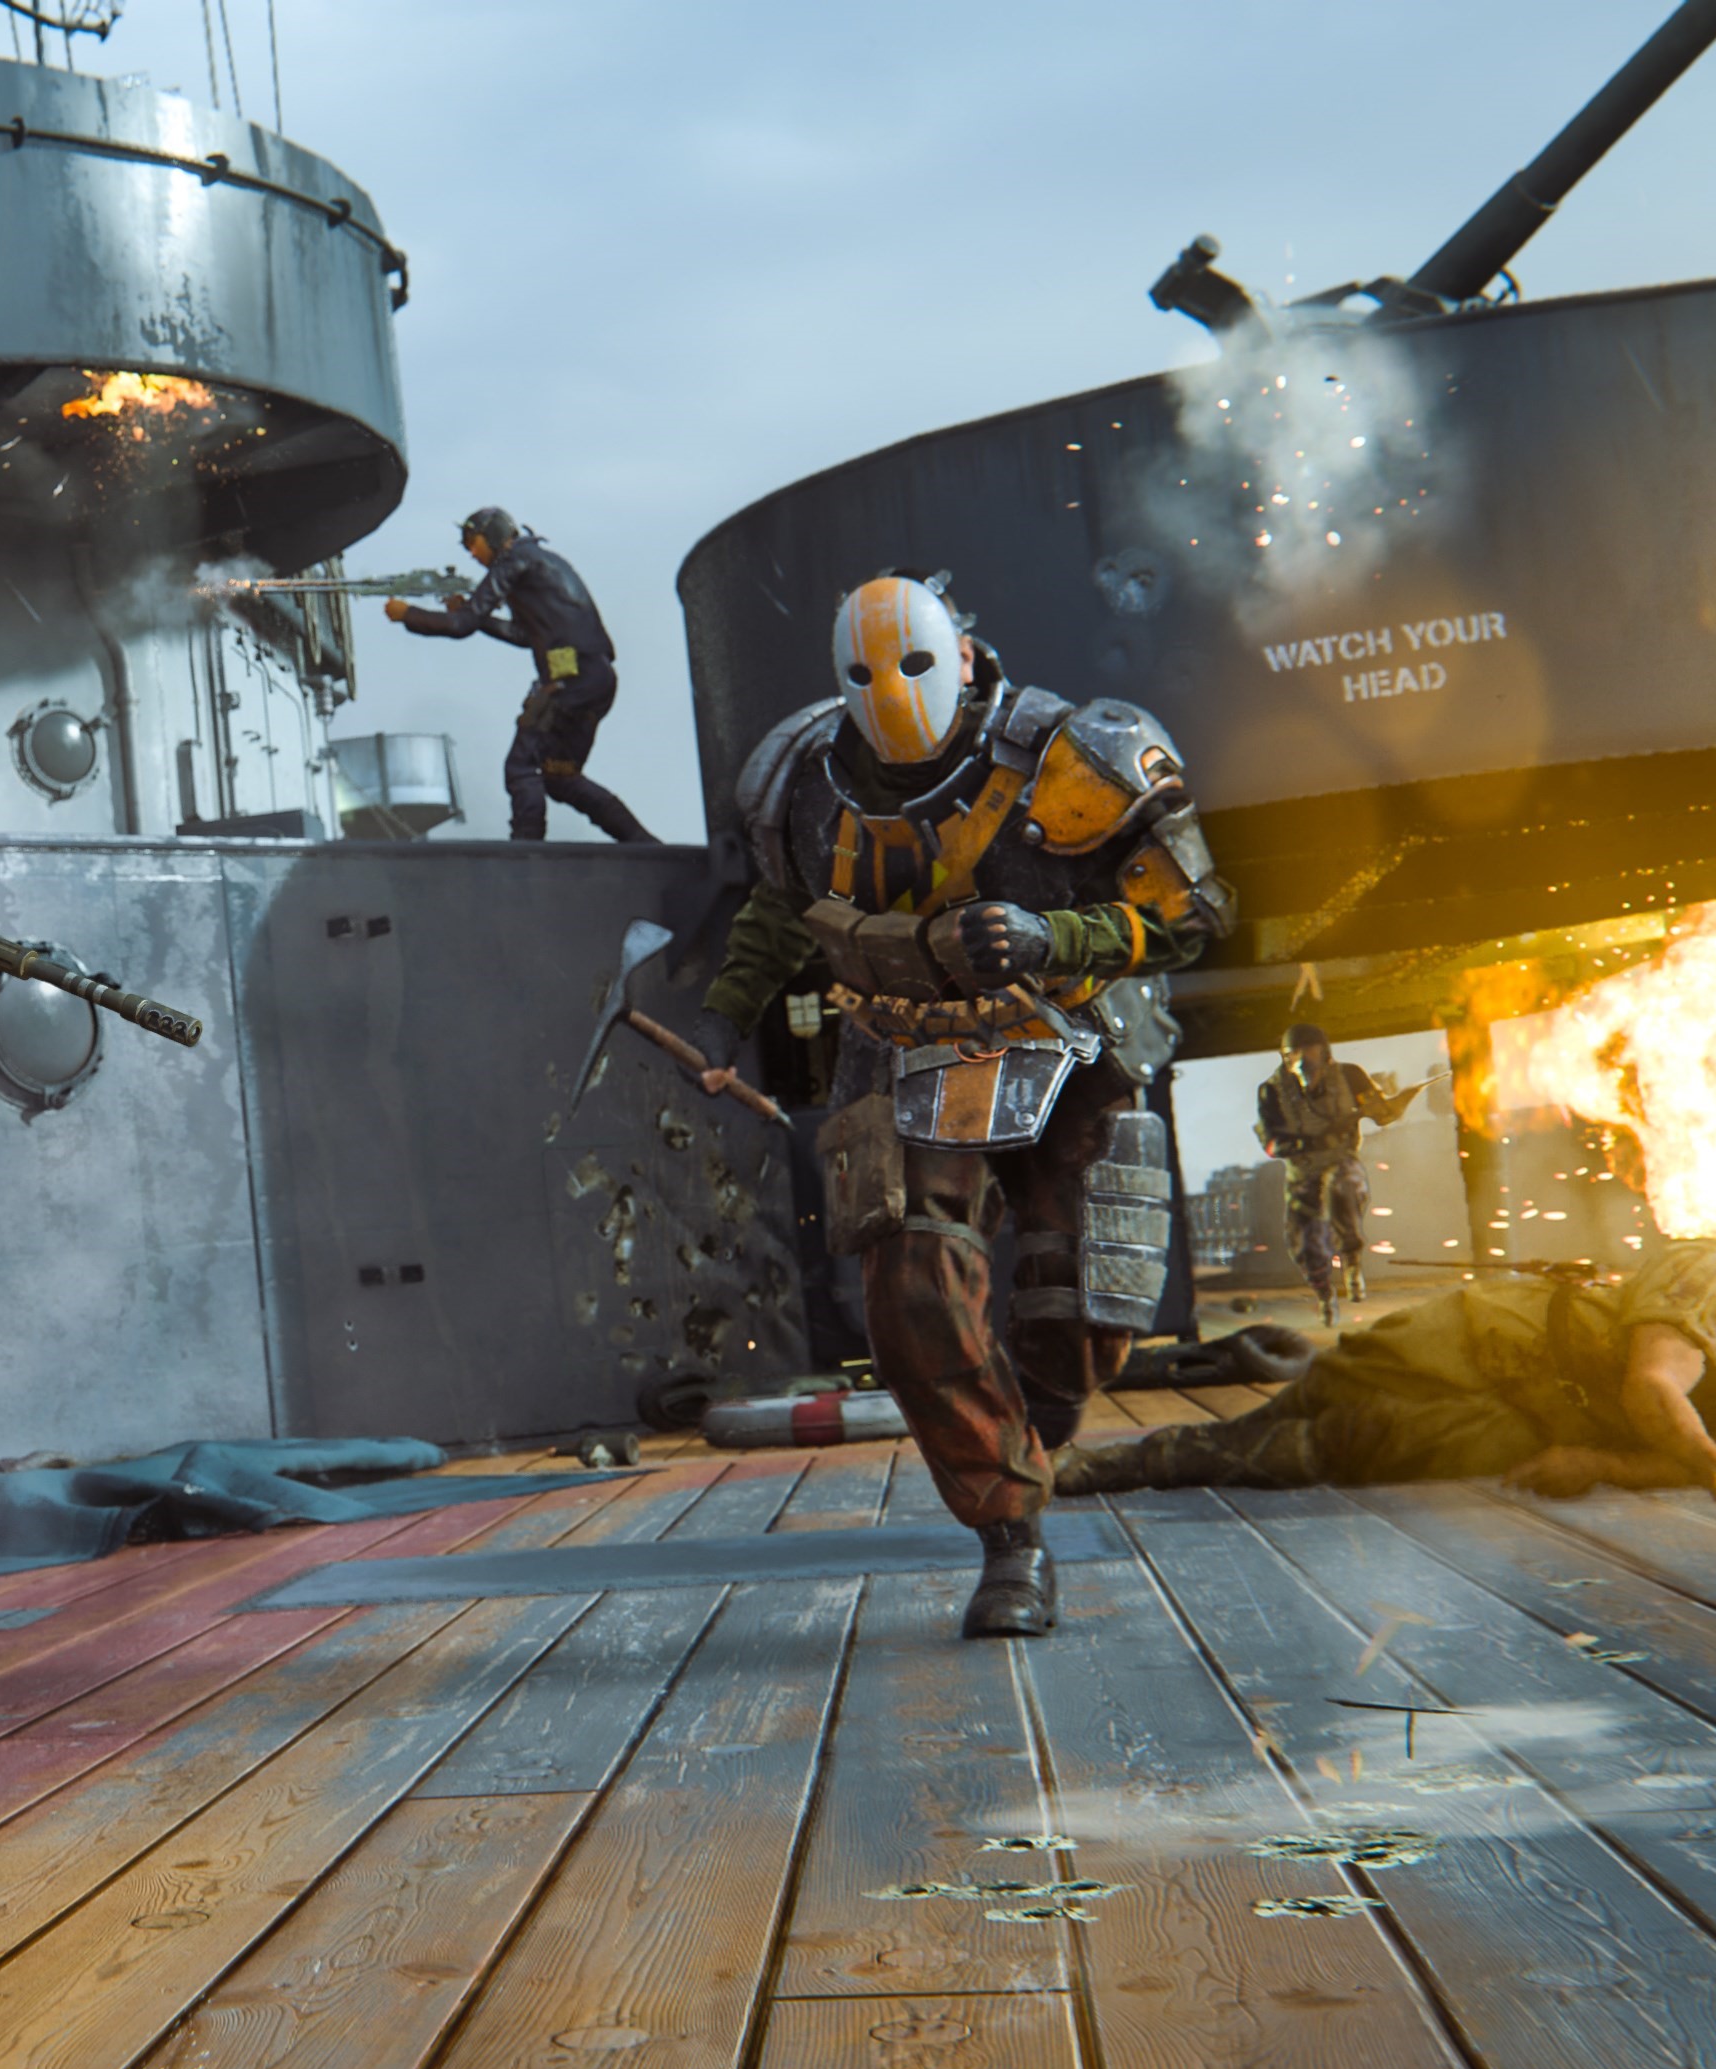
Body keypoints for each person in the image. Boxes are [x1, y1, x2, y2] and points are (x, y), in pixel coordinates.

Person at [677, 571, 1232, 1636]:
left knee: (1081, 1314)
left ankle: (1037, 1431)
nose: (893, 695)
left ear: (966, 656)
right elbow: (787, 910)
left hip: (1068, 1044)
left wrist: (1052, 936)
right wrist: (723, 1016)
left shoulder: (1077, 757)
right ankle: (1010, 1539)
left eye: (921, 664)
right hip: (905, 1055)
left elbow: (1192, 913)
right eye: (866, 675)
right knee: (913, 1296)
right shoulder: (802, 780)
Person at [1057, 1237, 1716, 1501]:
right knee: (1334, 1388)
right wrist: (1699, 1454)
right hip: (1485, 1338)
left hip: (1538, 1418)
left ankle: (1153, 1465)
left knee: (1342, 1448)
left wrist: (1602, 1464)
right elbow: (1655, 1386)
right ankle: (1121, 1461)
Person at [384, 507, 659, 845]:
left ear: (493, 536)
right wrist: (473, 615)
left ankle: (527, 852)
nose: (472, 554)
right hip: (595, 679)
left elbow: (460, 626)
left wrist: (408, 614)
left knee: (521, 767)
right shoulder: (535, 561)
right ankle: (642, 843)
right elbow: (523, 634)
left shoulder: (513, 562)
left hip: (569, 682)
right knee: (561, 776)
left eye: (474, 543)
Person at [1255, 1022, 1424, 1322]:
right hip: (1302, 1172)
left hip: (1342, 1162)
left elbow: (1381, 1114)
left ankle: (1352, 1262)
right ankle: (1323, 1294)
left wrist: (1398, 1102)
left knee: (1343, 1186)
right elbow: (1271, 1144)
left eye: (1309, 1051)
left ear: (1323, 1052)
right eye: (1294, 1054)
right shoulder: (1272, 1091)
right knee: (1303, 1243)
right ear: (1285, 1058)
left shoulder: (1349, 1077)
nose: (1303, 1060)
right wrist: (1311, 1142)